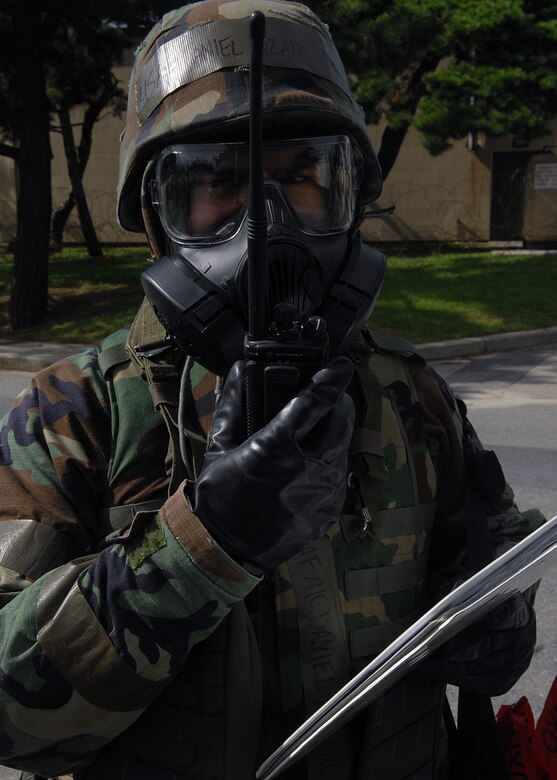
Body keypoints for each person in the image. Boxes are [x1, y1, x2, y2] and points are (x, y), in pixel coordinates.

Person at [0, 2, 545, 779]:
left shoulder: (412, 400)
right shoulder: (76, 412)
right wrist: (204, 544)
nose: (267, 223)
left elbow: (485, 613)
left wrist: (495, 630)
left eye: (301, 177)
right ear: (157, 219)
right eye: (217, 182)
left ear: (348, 196)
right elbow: (8, 714)